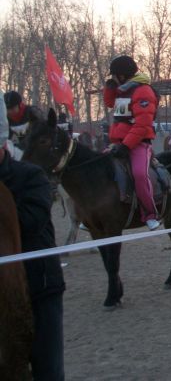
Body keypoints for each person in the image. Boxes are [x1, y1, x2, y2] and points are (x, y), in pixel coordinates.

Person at [0, 98, 65, 380]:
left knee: (48, 371)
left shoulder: (31, 177)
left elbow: (31, 222)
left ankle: (147, 207)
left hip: (40, 287)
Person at [102, 55, 162, 230]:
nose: (113, 78)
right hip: (118, 143)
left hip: (138, 144)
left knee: (139, 174)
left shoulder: (143, 91)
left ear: (122, 75)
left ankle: (151, 214)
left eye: (114, 76)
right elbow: (109, 103)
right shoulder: (123, 90)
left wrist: (126, 145)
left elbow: (142, 125)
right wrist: (110, 88)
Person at [4, 90, 44, 158]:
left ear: (20, 105)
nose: (9, 111)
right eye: (7, 109)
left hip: (36, 150)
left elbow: (40, 133)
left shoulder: (33, 113)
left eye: (12, 108)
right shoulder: (6, 119)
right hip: (19, 153)